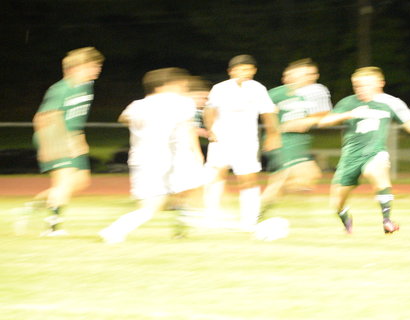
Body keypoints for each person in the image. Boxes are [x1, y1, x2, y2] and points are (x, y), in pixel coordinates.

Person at [318, 66, 410, 234]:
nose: (361, 89)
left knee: (377, 172)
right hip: (350, 157)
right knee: (337, 202)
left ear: (380, 83)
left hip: (374, 152)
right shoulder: (348, 102)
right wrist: (349, 114)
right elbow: (324, 122)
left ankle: (387, 221)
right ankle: (346, 219)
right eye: (357, 86)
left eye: (366, 85)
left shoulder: (391, 102)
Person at [98, 68, 204, 243]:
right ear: (165, 86)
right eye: (179, 85)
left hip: (141, 159)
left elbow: (124, 118)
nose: (183, 88)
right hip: (167, 158)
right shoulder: (182, 103)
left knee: (156, 203)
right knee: (158, 203)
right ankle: (114, 231)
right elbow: (188, 129)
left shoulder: (137, 105)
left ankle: (183, 221)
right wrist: (196, 153)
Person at [27, 46, 104, 236]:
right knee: (63, 182)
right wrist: (48, 145)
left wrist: (79, 138)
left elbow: (76, 116)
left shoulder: (86, 87)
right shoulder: (61, 89)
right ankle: (52, 228)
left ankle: (33, 206)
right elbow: (43, 117)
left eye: (97, 66)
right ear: (77, 67)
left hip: (72, 137)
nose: (97, 70)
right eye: (92, 66)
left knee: (80, 182)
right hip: (54, 135)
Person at [202, 54, 280, 230]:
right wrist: (210, 129)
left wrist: (273, 134)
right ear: (231, 71)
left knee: (248, 177)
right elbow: (209, 110)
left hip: (246, 140)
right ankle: (211, 214)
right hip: (221, 139)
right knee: (217, 174)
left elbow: (268, 112)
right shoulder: (220, 88)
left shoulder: (258, 88)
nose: (245, 72)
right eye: (240, 69)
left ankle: (249, 219)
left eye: (248, 69)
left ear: (254, 71)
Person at [261, 58, 332, 216]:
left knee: (310, 176)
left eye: (311, 74)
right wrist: (273, 134)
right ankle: (257, 214)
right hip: (283, 140)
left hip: (299, 141)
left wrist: (307, 121)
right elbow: (267, 113)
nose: (309, 77)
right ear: (290, 75)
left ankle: (262, 206)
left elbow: (323, 116)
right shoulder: (278, 93)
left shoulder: (314, 93)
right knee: (285, 177)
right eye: (304, 74)